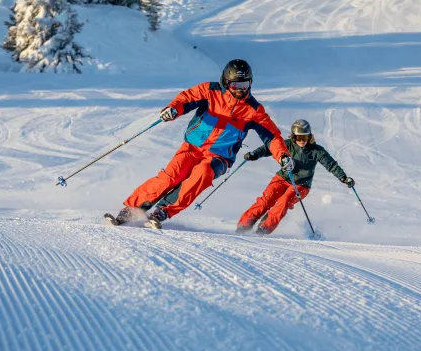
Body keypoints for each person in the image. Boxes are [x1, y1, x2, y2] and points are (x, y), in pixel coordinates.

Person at [111, 59, 293, 229]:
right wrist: (173, 109)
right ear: (225, 82)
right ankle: (132, 209)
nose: (240, 90)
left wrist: (283, 155)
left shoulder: (254, 110)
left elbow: (273, 137)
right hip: (192, 147)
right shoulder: (210, 91)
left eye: (244, 85)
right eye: (235, 85)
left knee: (201, 174)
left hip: (220, 157)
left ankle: (162, 211)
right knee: (171, 176)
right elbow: (185, 98)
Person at [237, 119, 354, 235]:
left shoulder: (317, 151)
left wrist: (343, 178)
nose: (302, 141)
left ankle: (264, 228)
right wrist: (255, 154)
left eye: (305, 137)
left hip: (302, 185)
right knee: (267, 199)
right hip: (282, 178)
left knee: (284, 201)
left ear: (309, 136)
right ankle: (245, 224)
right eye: (299, 138)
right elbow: (270, 147)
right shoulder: (286, 144)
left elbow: (331, 165)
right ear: (293, 136)